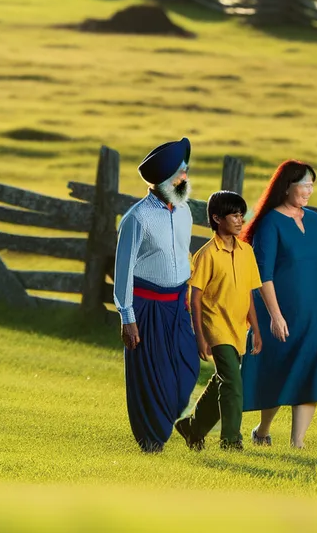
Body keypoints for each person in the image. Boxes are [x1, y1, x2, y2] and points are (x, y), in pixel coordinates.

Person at [240, 160, 317, 448]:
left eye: (312, 184)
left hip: (314, 311)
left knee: (312, 374)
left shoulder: (313, 220)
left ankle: (298, 443)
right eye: (304, 185)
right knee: (281, 373)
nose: (309, 190)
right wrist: (275, 316)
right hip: (282, 313)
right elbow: (263, 275)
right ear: (286, 187)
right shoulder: (271, 222)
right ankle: (262, 431)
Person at [115, 137, 199, 453]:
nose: (186, 178)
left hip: (178, 305)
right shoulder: (136, 218)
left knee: (187, 368)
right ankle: (151, 440)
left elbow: (182, 253)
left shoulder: (185, 212)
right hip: (146, 308)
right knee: (151, 378)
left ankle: (169, 422)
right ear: (165, 178)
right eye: (181, 173)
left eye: (186, 172)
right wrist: (127, 317)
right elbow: (122, 270)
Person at [175, 191, 262, 451]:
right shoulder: (206, 254)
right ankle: (231, 440)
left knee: (224, 379)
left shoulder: (246, 251)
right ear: (217, 218)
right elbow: (196, 297)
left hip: (238, 327)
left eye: (241, 215)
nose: (240, 220)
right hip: (216, 327)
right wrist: (200, 336)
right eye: (234, 215)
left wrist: (256, 329)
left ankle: (193, 427)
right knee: (234, 383)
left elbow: (249, 293)